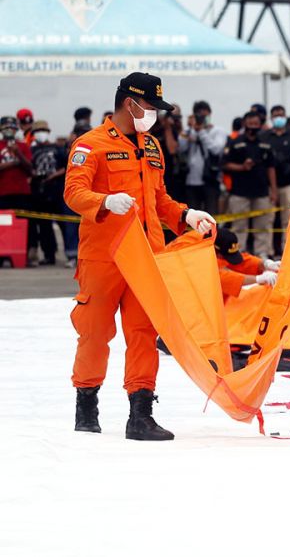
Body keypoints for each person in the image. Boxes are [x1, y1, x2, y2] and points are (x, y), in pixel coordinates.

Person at [64, 72, 215, 440]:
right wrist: (104, 202)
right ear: (129, 103)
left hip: (147, 257)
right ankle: (87, 404)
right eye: (150, 107)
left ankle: (141, 414)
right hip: (104, 257)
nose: (155, 115)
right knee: (95, 333)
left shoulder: (151, 146)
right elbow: (73, 192)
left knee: (144, 334)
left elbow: (159, 198)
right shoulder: (90, 145)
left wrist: (185, 215)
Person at [222, 111, 277, 257]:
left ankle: (262, 253)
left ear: (260, 124)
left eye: (256, 123)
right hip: (239, 192)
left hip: (262, 192)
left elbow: (271, 167)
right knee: (239, 226)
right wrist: (242, 167)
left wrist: (274, 190)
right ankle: (239, 253)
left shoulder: (265, 143)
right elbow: (225, 164)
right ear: (244, 123)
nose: (253, 126)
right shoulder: (235, 142)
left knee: (263, 225)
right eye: (250, 123)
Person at [262, 105, 290, 256]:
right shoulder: (265, 136)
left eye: (281, 115)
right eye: (276, 115)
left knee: (288, 219)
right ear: (271, 117)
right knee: (267, 219)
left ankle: (287, 250)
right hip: (269, 185)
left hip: (289, 183)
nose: (279, 118)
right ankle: (267, 251)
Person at [28, 120, 66, 266]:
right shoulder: (31, 150)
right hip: (39, 191)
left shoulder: (57, 148)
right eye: (38, 131)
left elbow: (66, 166)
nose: (41, 133)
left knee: (63, 223)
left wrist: (54, 175)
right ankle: (49, 255)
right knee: (44, 226)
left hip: (56, 190)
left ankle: (71, 254)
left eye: (43, 130)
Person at [177, 100, 226, 213]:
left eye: (205, 114)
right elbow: (180, 148)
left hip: (211, 179)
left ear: (210, 114)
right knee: (194, 217)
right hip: (191, 181)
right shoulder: (189, 131)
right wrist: (190, 129)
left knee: (211, 215)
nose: (203, 117)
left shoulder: (218, 131)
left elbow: (216, 149)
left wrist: (202, 132)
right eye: (200, 115)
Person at [212, 227, 280, 301]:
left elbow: (243, 261)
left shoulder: (219, 254)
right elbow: (223, 277)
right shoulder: (204, 260)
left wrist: (265, 263)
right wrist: (259, 279)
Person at [0, 115, 32, 213]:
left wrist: (18, 153)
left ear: (16, 129)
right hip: (2, 192)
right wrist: (15, 163)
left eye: (12, 128)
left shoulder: (23, 146)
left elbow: (30, 168)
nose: (9, 130)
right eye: (6, 127)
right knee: (5, 224)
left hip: (22, 192)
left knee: (23, 224)